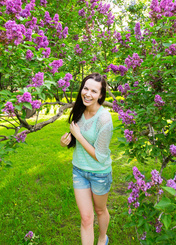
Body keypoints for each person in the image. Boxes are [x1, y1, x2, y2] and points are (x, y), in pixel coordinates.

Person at [60, 73, 113, 245]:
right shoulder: (80, 109)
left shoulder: (104, 119)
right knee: (86, 218)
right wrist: (66, 140)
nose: (88, 94)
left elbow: (100, 156)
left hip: (100, 174)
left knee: (100, 210)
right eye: (86, 88)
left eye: (94, 91)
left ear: (101, 95)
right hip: (79, 171)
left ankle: (102, 238)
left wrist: (79, 136)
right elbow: (74, 136)